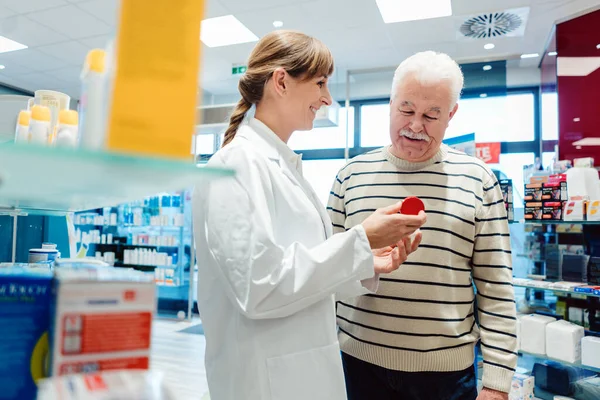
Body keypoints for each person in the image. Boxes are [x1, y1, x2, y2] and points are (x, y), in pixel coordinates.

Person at [192, 30, 427, 400]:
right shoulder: (238, 164)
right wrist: (360, 241)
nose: (327, 98)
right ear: (281, 81)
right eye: (320, 83)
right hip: (262, 380)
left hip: (298, 371)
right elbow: (260, 287)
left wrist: (366, 260)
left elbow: (301, 270)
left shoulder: (282, 166)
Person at [328, 51, 517, 400]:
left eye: (431, 115)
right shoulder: (349, 176)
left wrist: (496, 382)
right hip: (356, 363)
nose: (416, 126)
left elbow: (497, 288)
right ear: (390, 103)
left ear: (452, 115)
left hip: (445, 376)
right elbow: (326, 272)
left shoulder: (479, 180)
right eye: (406, 110)